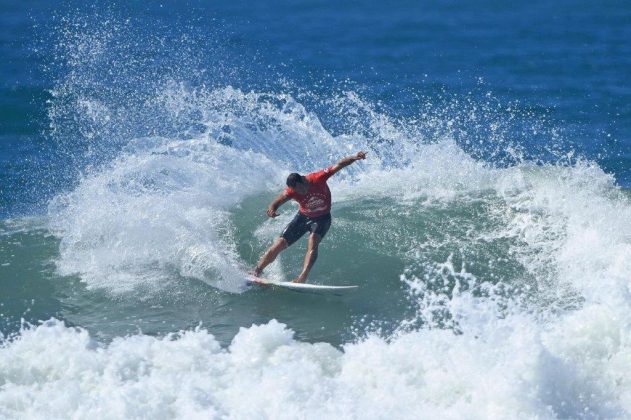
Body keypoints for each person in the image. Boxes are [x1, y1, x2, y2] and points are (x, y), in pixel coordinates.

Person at [254, 151, 367, 283]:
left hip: (322, 218)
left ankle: (302, 277)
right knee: (279, 243)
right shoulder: (292, 191)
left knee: (313, 240)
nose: (297, 193)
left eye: (298, 189)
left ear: (303, 181)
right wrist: (272, 210)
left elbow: (339, 164)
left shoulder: (317, 178)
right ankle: (257, 271)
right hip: (303, 217)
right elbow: (276, 202)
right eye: (294, 191)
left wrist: (355, 157)